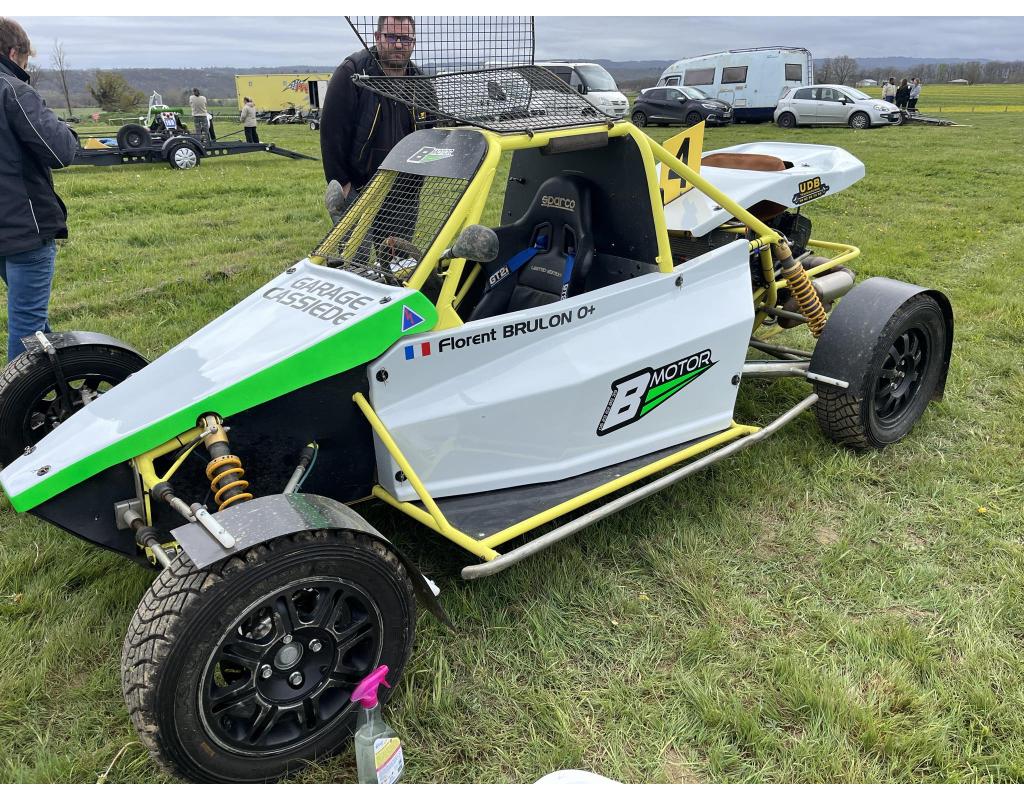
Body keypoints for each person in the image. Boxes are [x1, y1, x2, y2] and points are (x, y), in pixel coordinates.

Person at [0, 17, 78, 362]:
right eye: (26, 57)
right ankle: (17, 394)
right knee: (28, 329)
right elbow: (60, 151)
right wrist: (65, 130)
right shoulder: (13, 90)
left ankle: (57, 381)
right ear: (14, 52)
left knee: (33, 316)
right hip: (24, 229)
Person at [320, 15, 425, 223]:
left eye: (405, 39)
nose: (398, 44)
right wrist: (343, 184)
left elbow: (430, 133)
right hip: (359, 189)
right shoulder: (352, 72)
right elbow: (332, 133)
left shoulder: (421, 83)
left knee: (398, 246)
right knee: (355, 246)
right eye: (391, 37)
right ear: (377, 37)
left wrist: (416, 183)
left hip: (403, 195)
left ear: (413, 42)